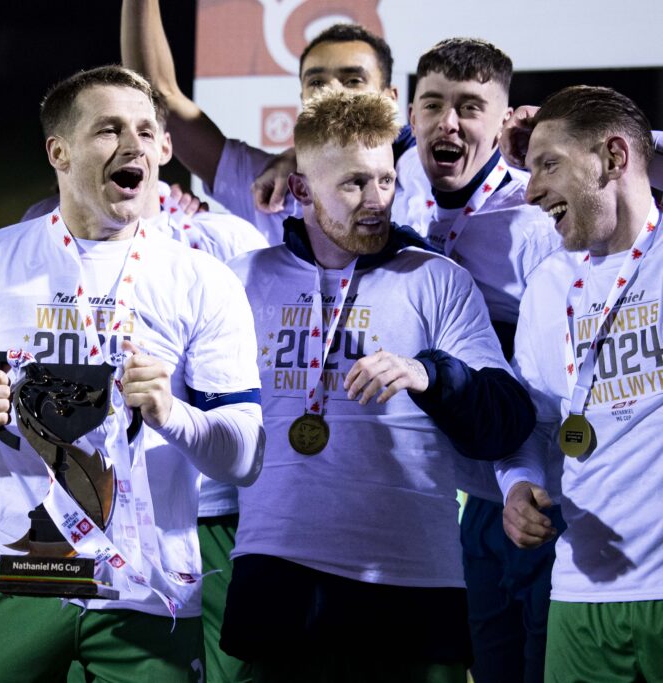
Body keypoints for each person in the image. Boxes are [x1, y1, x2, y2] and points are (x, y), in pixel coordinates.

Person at [0, 65, 264, 682]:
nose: (134, 146)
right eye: (109, 130)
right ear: (60, 151)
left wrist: (173, 414)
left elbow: (245, 458)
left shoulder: (202, 277)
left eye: (147, 131)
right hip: (15, 569)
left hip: (147, 579)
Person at [221, 89, 536, 682]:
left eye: (387, 180)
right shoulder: (244, 282)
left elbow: (507, 420)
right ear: (302, 190)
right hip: (277, 579)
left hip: (413, 587)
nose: (377, 202)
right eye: (353, 184)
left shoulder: (436, 280)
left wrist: (431, 374)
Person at [398, 38, 564, 683]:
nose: (449, 123)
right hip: (463, 501)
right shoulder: (399, 193)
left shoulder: (536, 218)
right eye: (432, 104)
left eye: (471, 108)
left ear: (505, 121)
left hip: (542, 495)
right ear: (410, 117)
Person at [498, 85, 663, 683]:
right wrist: (518, 488)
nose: (530, 188)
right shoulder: (547, 286)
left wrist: (641, 141)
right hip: (580, 591)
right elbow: (536, 423)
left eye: (549, 165)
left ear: (614, 158)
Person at [121, 0, 409, 244]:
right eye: (317, 82)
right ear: (302, 96)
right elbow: (158, 97)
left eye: (353, 80)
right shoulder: (269, 185)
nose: (333, 91)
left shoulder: (424, 179)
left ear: (390, 97)